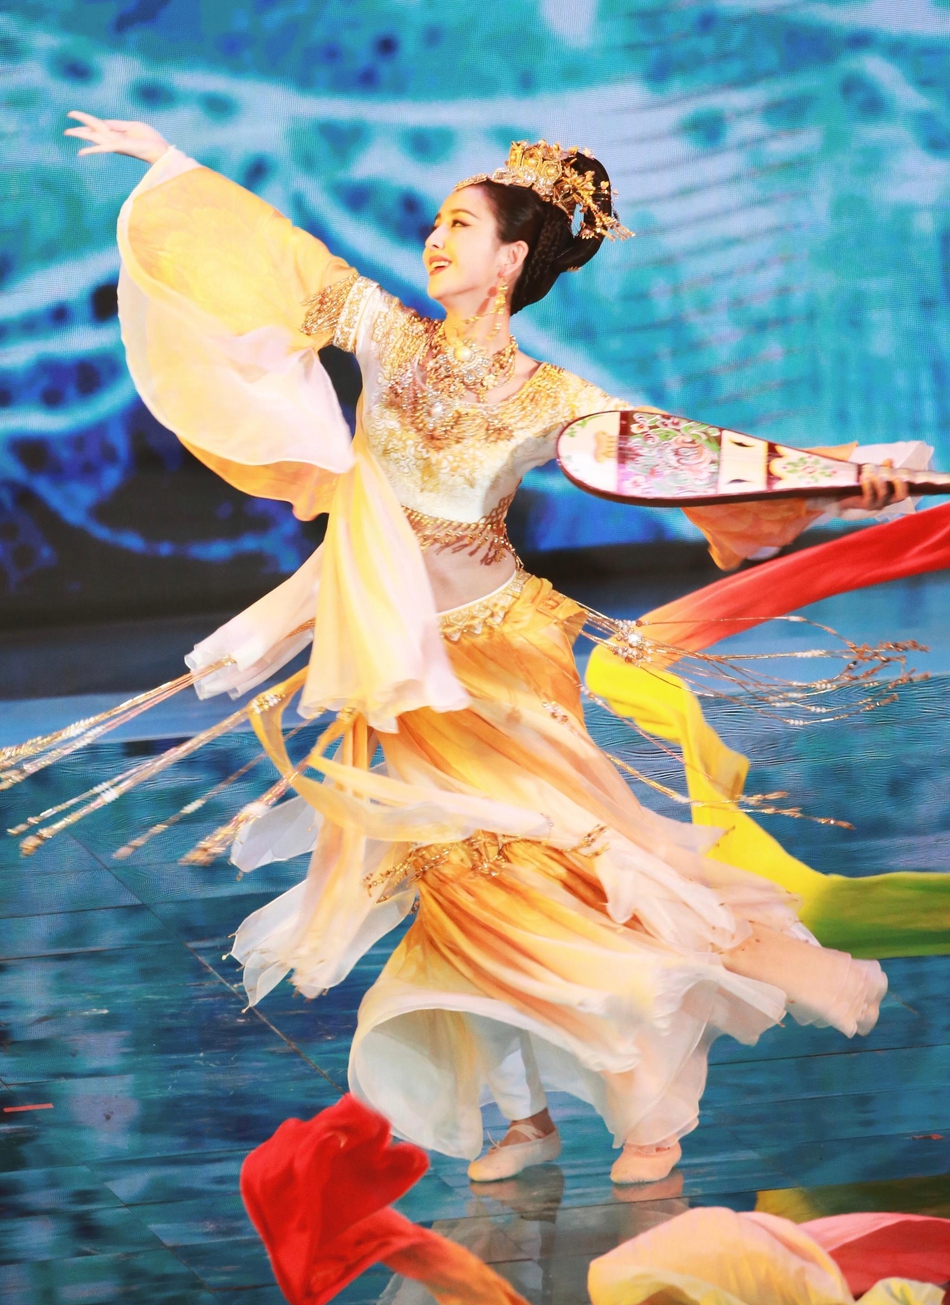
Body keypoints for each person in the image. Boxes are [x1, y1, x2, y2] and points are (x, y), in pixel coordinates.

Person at [63, 113, 887, 1185]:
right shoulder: (388, 337)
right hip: (396, 661)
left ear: (509, 259)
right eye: (436, 222)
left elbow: (688, 462)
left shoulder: (557, 400)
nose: (434, 238)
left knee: (567, 871)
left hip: (504, 658)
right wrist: (170, 166)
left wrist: (849, 478)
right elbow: (274, 252)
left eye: (460, 224)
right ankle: (525, 1117)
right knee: (456, 889)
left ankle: (648, 1114)